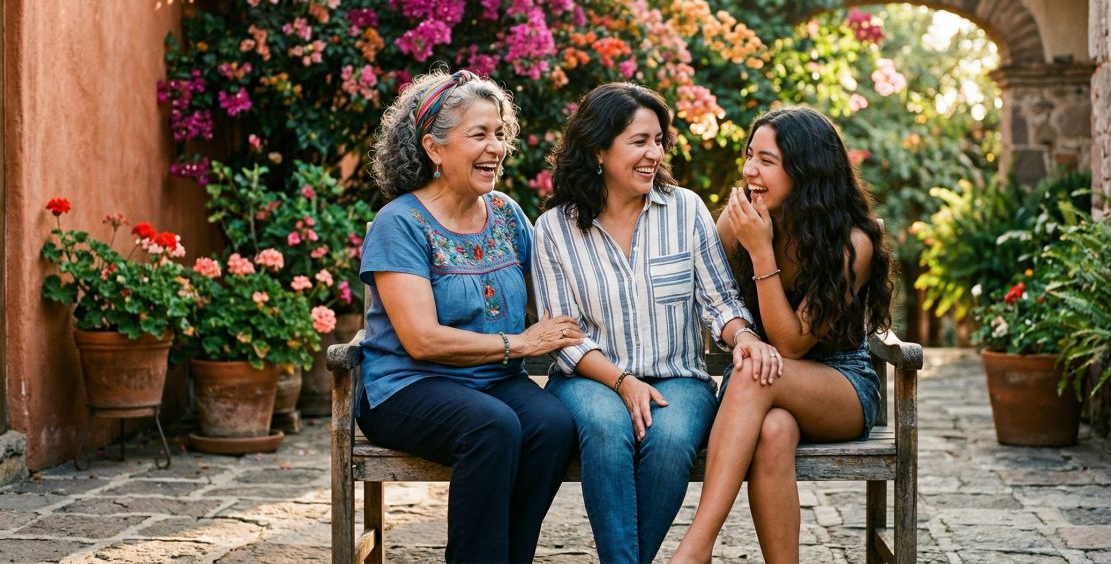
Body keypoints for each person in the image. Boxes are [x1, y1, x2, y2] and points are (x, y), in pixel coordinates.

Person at [531, 82, 774, 564]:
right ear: (599, 148)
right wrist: (623, 383)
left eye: (658, 141)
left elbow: (719, 299)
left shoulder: (685, 209)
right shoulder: (554, 229)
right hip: (589, 380)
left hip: (679, 377)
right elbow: (565, 337)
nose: (653, 154)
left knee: (669, 440)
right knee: (605, 428)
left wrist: (742, 335)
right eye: (638, 141)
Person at [356, 69, 583, 563]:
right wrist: (520, 345)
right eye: (478, 134)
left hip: (490, 383)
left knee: (552, 424)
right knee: (492, 427)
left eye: (500, 133)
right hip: (407, 386)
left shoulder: (505, 212)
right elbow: (421, 341)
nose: (496, 146)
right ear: (434, 149)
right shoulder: (400, 223)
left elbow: (545, 296)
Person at [671, 106, 894, 564]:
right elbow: (712, 297)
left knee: (755, 372)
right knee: (773, 432)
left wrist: (760, 251)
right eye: (750, 155)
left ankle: (696, 548)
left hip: (839, 387)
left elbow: (791, 343)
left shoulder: (852, 242)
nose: (750, 170)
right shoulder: (740, 220)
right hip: (766, 388)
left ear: (805, 170)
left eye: (766, 160)